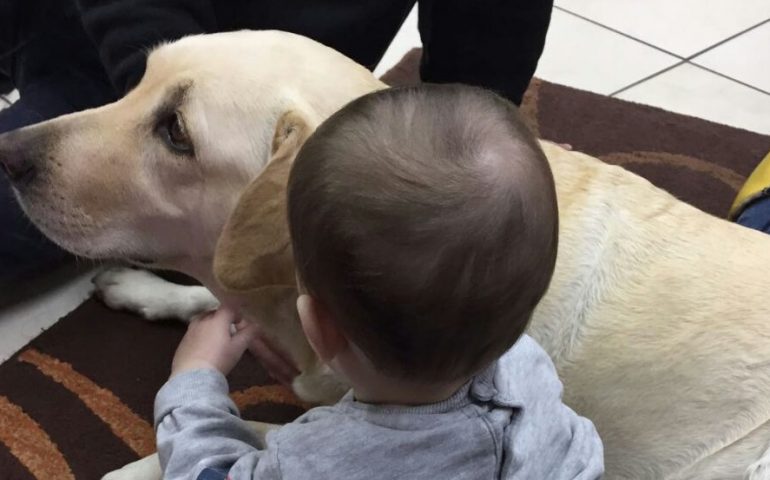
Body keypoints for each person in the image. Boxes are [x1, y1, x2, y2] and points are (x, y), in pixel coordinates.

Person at [155, 85, 604, 480]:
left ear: (320, 327)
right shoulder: (531, 369)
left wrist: (194, 380)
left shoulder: (315, 461)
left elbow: (206, 472)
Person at [0, 0, 553, 283]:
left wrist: (462, 167)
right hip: (130, 54)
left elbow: (491, 31)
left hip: (244, 107)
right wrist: (169, 106)